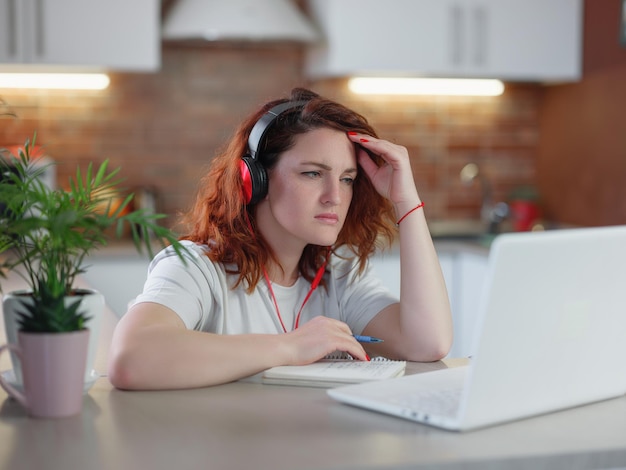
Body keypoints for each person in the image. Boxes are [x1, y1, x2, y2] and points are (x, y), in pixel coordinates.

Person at [108, 88, 452, 390]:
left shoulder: (340, 275)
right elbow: (130, 357)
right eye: (313, 173)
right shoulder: (197, 267)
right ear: (254, 180)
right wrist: (290, 347)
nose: (334, 195)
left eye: (347, 178)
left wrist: (406, 202)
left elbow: (428, 344)